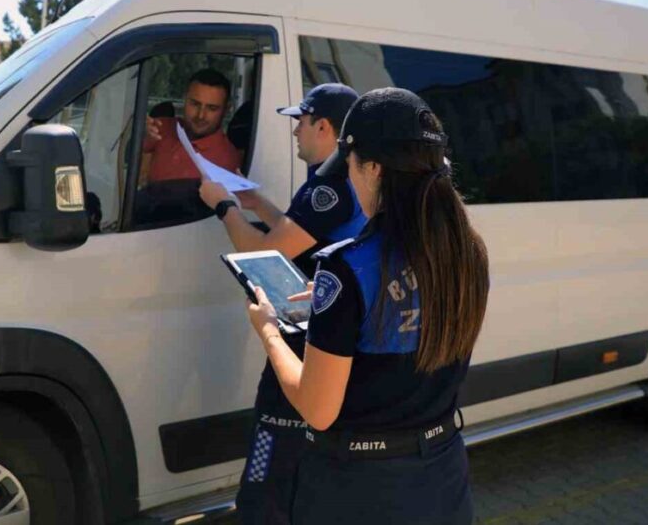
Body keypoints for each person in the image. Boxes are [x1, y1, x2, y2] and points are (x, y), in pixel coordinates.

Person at [244, 88, 490, 525]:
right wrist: (333, 311)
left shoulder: (346, 267)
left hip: (359, 490)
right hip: (442, 476)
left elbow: (318, 409)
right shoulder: (468, 252)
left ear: (373, 168)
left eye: (351, 165)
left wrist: (269, 330)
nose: (349, 178)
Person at [198, 83, 364, 524]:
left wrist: (224, 207)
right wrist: (259, 203)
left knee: (266, 482)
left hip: (303, 344)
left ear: (324, 126)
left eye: (300, 121)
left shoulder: (329, 186)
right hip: (325, 341)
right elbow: (306, 235)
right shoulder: (342, 179)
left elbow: (266, 252)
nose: (294, 131)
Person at [142, 68, 241, 185]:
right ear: (185, 99)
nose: (201, 115)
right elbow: (133, 182)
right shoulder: (160, 128)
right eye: (195, 104)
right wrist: (142, 139)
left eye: (212, 108)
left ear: (226, 110)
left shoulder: (227, 158)